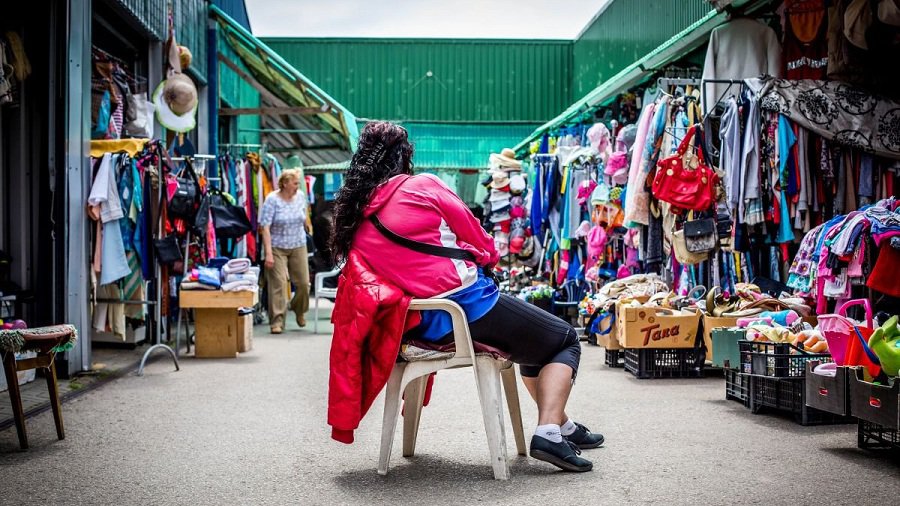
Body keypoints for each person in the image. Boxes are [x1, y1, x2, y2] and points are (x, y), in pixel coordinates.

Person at [329, 121, 602, 472]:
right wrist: (483, 256)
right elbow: (480, 241)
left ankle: (561, 424)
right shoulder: (422, 186)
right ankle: (548, 432)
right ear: (404, 156)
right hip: (466, 308)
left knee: (533, 337)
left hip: (414, 324)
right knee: (563, 339)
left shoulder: (354, 215)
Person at [259, 168, 310, 334]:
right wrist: (268, 253)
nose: (297, 186)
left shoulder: (301, 196)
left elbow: (304, 215)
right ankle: (277, 321)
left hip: (298, 244)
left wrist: (308, 227)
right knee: (278, 284)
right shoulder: (272, 200)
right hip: (276, 246)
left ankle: (299, 309)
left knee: (303, 283)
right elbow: (265, 227)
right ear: (285, 183)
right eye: (295, 183)